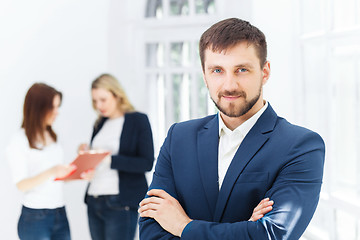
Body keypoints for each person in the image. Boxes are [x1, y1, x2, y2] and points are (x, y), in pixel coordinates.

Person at [138, 18, 325, 239]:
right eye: (217, 70)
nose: (229, 85)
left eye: (242, 70)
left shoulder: (301, 146)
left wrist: (182, 226)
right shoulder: (178, 137)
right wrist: (245, 230)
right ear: (205, 75)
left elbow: (271, 234)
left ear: (264, 72)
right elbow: (151, 232)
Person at [80, 73, 155, 240]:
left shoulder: (138, 120)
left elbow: (146, 163)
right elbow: (97, 163)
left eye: (103, 99)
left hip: (120, 203)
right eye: (95, 101)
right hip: (94, 199)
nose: (99, 105)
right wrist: (87, 158)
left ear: (116, 95)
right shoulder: (100, 123)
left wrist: (109, 159)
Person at [6, 83, 76, 240]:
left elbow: (56, 178)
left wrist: (77, 174)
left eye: (58, 107)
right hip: (35, 217)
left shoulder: (52, 136)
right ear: (39, 108)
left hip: (59, 212)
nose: (57, 112)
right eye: (53, 107)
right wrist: (52, 171)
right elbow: (21, 184)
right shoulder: (19, 140)